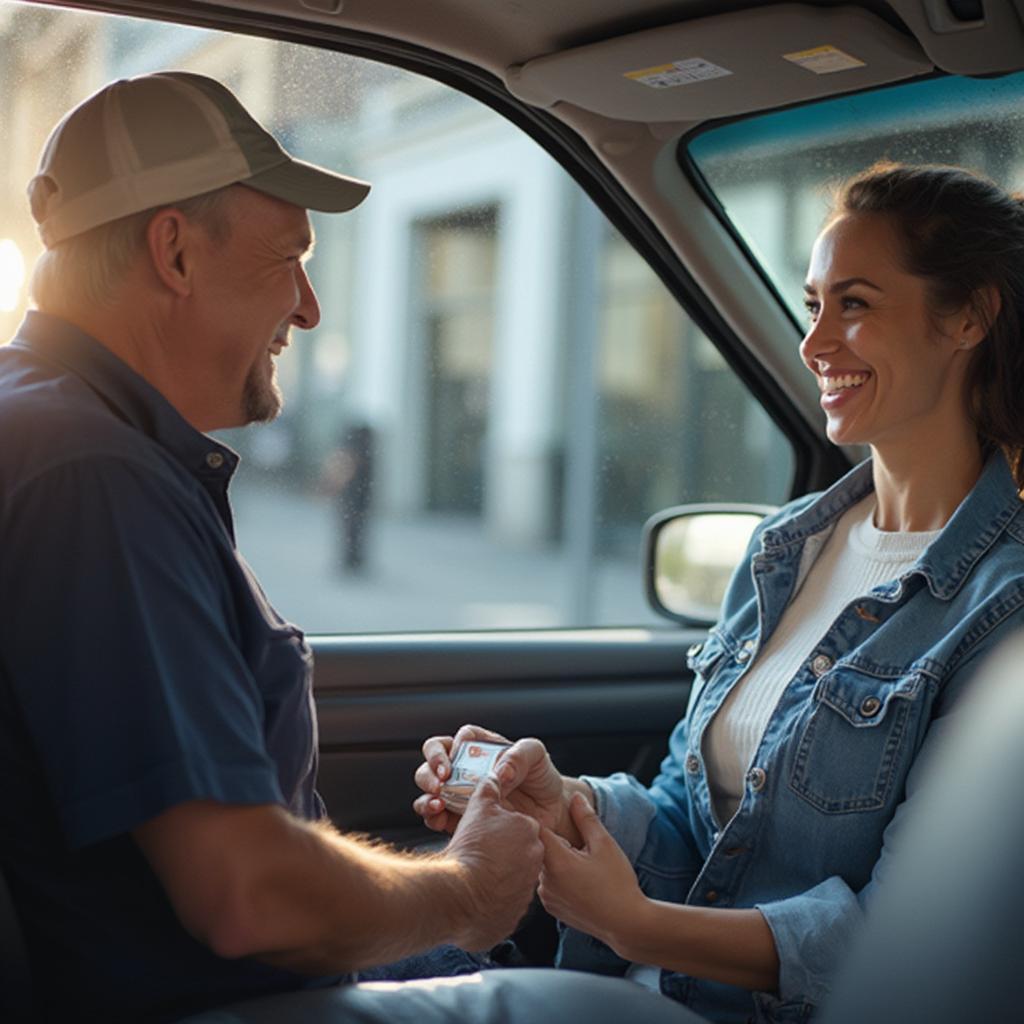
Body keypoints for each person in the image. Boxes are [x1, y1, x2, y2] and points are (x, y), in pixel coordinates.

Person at [0, 73, 702, 1024]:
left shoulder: (58, 432)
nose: (309, 307)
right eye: (290, 258)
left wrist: (456, 887)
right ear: (172, 251)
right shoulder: (96, 477)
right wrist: (464, 891)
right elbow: (249, 895)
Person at [414, 162, 1024, 1023]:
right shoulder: (789, 545)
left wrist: (637, 927)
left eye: (854, 304)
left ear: (968, 315)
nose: (814, 344)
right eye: (814, 306)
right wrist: (568, 804)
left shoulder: (1005, 609)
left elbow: (903, 939)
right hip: (636, 983)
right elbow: (688, 818)